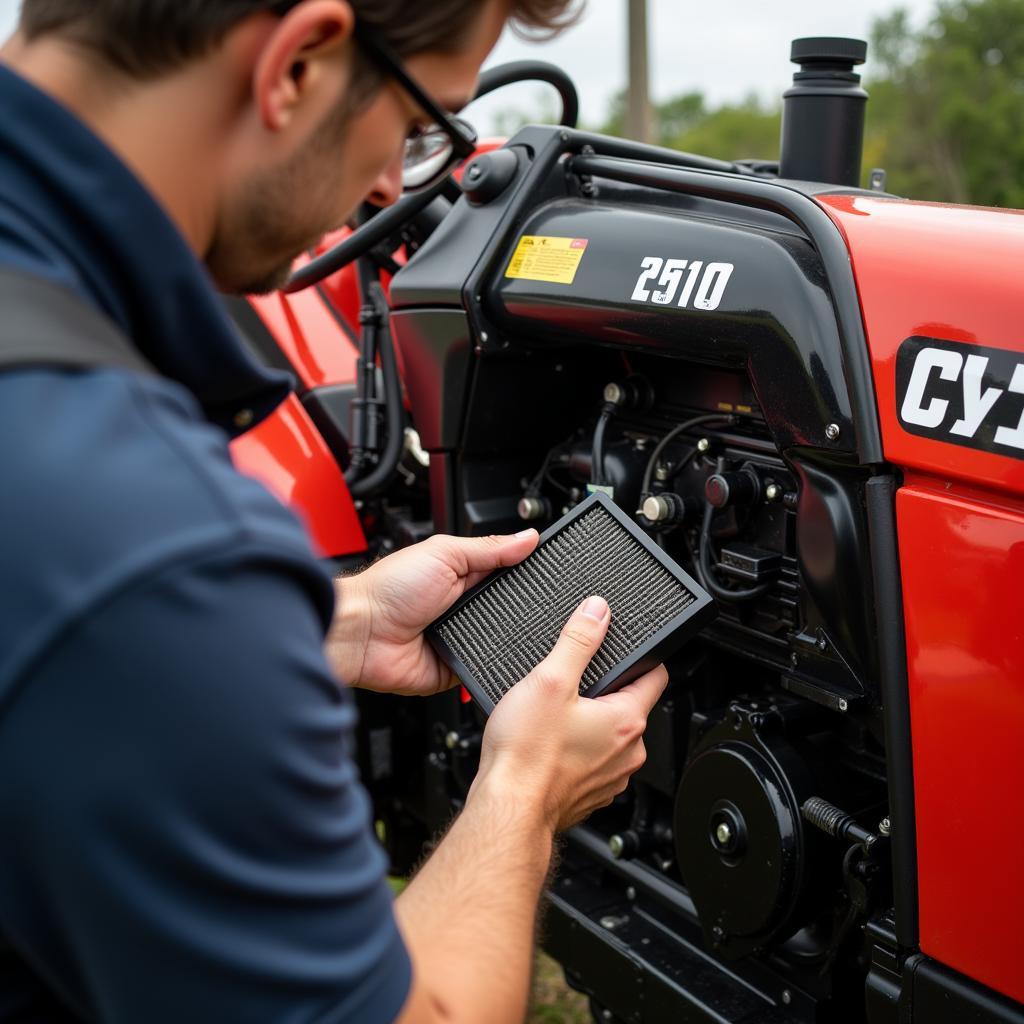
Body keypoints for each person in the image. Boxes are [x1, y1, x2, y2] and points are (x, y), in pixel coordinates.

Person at [0, 2, 669, 1021]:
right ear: (299, 64)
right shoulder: (146, 537)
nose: (384, 190)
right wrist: (522, 798)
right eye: (416, 130)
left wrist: (333, 621)